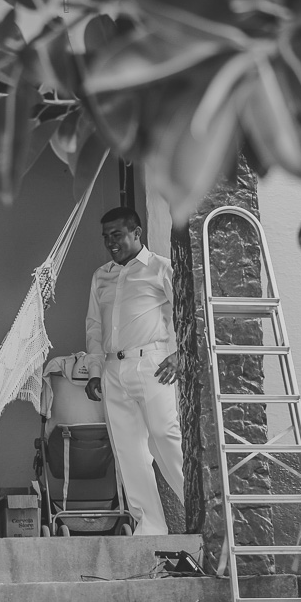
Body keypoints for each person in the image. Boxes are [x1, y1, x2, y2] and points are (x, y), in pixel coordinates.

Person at [85, 207, 185, 536]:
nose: (110, 243)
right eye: (105, 238)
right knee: (128, 450)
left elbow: (186, 314)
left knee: (165, 436)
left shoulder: (161, 269)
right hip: (113, 369)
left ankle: (202, 509)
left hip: (153, 365)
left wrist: (179, 355)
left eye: (117, 235)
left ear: (136, 233)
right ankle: (151, 527)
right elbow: (94, 327)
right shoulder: (102, 276)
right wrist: (95, 370)